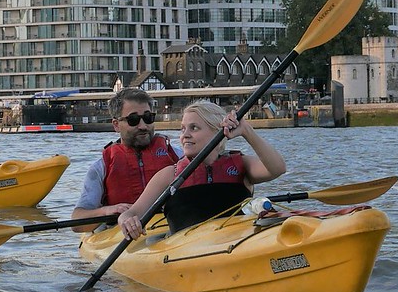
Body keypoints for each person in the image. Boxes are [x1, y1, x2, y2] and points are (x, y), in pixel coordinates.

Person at [118, 100, 286, 239]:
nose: (185, 135)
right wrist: (127, 221)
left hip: (235, 244)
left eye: (194, 128)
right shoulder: (169, 175)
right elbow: (131, 213)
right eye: (183, 129)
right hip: (186, 252)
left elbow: (277, 169)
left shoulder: (241, 165)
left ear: (216, 131)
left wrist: (247, 131)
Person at [72, 88, 179, 230]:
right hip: (119, 233)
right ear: (116, 125)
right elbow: (77, 221)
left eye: (148, 118)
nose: (143, 126)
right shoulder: (101, 167)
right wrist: (108, 210)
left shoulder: (177, 155)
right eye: (133, 120)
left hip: (169, 228)